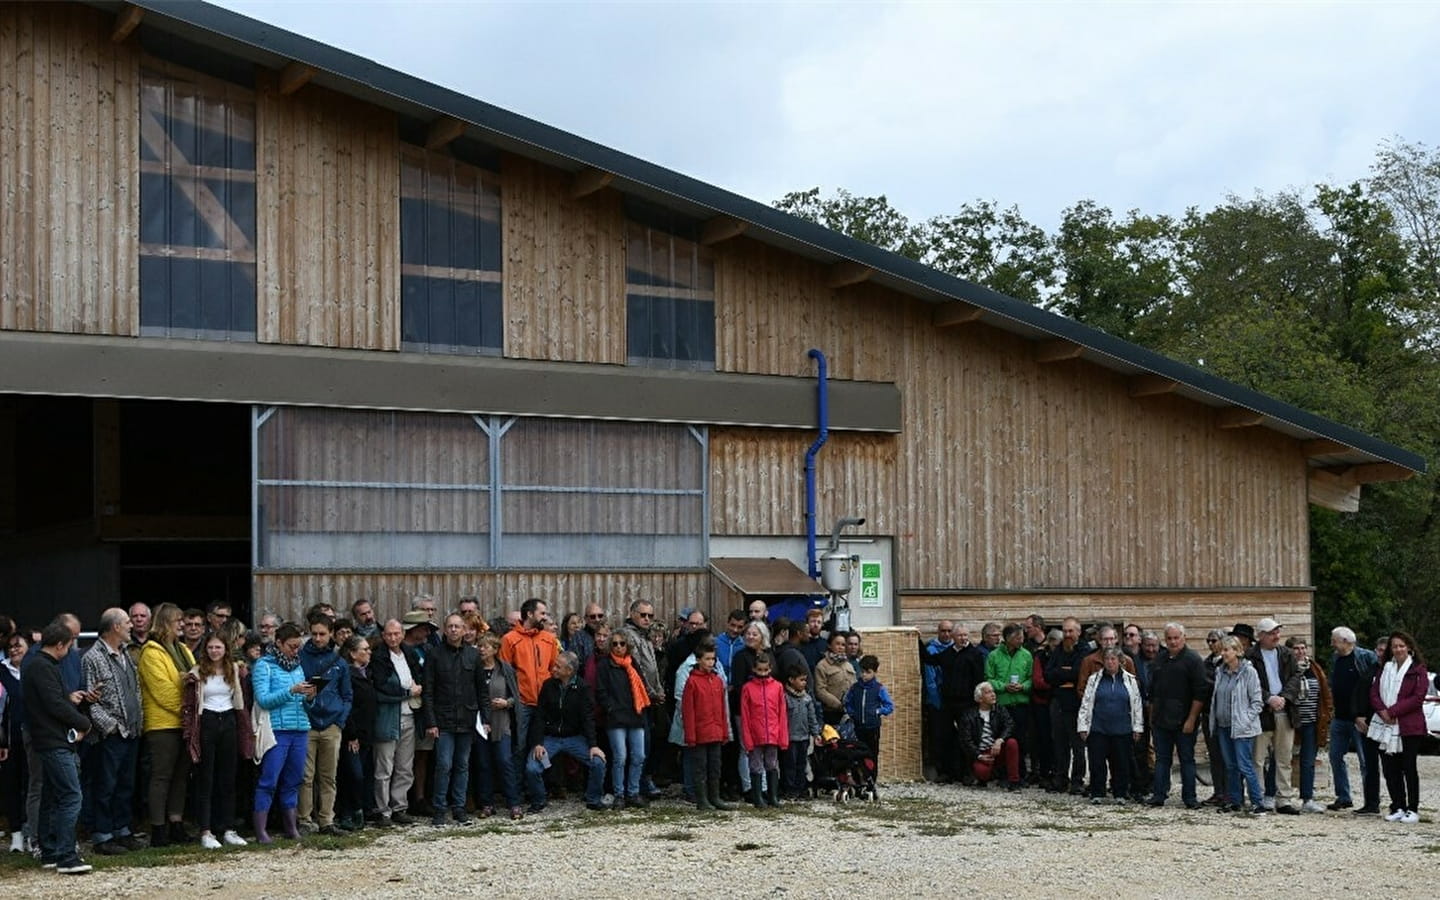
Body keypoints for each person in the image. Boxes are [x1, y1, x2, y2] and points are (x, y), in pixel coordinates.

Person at [22, 621, 96, 875]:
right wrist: (83, 722)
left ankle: (51, 851)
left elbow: (54, 700)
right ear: (61, 645)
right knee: (71, 796)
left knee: (52, 797)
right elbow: (54, 703)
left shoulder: (38, 665)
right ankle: (66, 855)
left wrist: (70, 700)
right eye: (69, 645)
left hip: (48, 739)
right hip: (53, 740)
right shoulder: (42, 666)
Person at [80, 608, 143, 856]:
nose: (132, 626)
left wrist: (138, 720)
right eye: (127, 622)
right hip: (110, 734)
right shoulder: (92, 657)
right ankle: (102, 836)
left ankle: (122, 830)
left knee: (125, 785)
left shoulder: (126, 654)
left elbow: (134, 689)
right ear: (115, 627)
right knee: (105, 785)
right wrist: (110, 727)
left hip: (131, 730)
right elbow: (90, 700)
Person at [137, 602, 196, 847]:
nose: (182, 624)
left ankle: (176, 823)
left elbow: (195, 675)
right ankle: (158, 828)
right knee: (161, 777)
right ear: (165, 624)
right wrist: (187, 710)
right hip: (162, 724)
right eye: (178, 621)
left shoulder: (182, 649)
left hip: (184, 722)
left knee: (180, 776)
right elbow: (162, 691)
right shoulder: (151, 652)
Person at [251, 623, 314, 843]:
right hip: (275, 729)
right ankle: (261, 831)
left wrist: (309, 696)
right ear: (278, 643)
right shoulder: (263, 665)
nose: (295, 651)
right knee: (269, 780)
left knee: (294, 780)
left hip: (300, 728)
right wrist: (291, 691)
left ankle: (291, 828)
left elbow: (302, 701)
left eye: (298, 647)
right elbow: (263, 699)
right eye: (291, 646)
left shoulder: (298, 666)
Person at [185, 634, 249, 849]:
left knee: (228, 777)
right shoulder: (198, 670)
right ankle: (206, 830)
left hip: (229, 718)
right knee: (207, 777)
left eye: (218, 647)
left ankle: (229, 829)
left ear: (225, 649)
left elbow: (239, 698)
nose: (214, 651)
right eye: (211, 647)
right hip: (208, 720)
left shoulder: (233, 669)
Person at [526, 650, 606, 813]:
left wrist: (593, 745)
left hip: (575, 737)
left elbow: (587, 718)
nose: (553, 669)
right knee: (532, 767)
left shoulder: (583, 688)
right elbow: (539, 716)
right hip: (550, 737)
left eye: (557, 666)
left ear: (569, 671)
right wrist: (538, 743)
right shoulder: (548, 686)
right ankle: (539, 800)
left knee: (598, 762)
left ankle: (593, 799)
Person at [423, 614, 483, 827]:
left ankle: (459, 808)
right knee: (443, 765)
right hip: (443, 720)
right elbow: (428, 690)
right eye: (450, 626)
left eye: (458, 626)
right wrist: (431, 721)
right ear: (445, 630)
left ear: (465, 630)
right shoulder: (434, 654)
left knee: (462, 765)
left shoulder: (473, 656)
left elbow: (481, 690)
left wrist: (483, 719)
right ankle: (439, 810)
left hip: (466, 719)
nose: (454, 630)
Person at [499, 598, 560, 801]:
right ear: (530, 614)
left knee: (543, 746)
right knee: (520, 747)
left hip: (544, 703)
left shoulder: (549, 639)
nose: (545, 617)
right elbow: (505, 673)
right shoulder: (509, 639)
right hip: (522, 703)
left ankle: (541, 790)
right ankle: (516, 794)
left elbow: (554, 670)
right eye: (542, 613)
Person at [298, 613, 352, 836]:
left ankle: (326, 820)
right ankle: (304, 819)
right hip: (307, 723)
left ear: (331, 634)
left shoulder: (339, 662)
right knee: (306, 776)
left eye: (322, 634)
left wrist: (340, 721)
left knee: (329, 776)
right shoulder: (300, 658)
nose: (318, 638)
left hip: (331, 724)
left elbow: (347, 695)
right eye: (314, 634)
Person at [1144, 623, 1208, 810]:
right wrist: (1152, 717)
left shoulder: (1193, 660)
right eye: (1169, 638)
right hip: (1161, 720)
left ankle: (1190, 797)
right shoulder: (1160, 659)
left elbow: (1200, 693)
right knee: (1162, 759)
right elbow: (1153, 691)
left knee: (1186, 759)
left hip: (1184, 720)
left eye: (1176, 638)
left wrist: (1191, 719)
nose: (1173, 641)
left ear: (1184, 638)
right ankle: (1159, 795)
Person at [1368, 631, 1428, 823]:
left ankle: (1413, 808)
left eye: (1402, 646)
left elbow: (1418, 697)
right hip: (1386, 725)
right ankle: (1398, 806)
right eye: (1395, 646)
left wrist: (1393, 711)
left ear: (1409, 647)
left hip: (1409, 727)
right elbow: (1374, 693)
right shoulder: (1384, 669)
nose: (1398, 649)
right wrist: (1383, 712)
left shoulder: (1418, 670)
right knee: (1390, 769)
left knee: (1408, 767)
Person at [369, 619, 422, 826]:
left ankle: (399, 806)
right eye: (389, 634)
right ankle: (382, 810)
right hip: (387, 716)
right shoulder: (379, 657)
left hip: (409, 713)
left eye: (396, 634)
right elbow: (383, 685)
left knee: (404, 766)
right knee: (384, 766)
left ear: (402, 634)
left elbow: (419, 675)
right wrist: (406, 691)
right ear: (384, 636)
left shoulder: (409, 653)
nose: (392, 638)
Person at [1078, 648, 1144, 803]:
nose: (1110, 662)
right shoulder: (1094, 679)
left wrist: (1137, 727)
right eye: (1107, 659)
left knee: (1121, 762)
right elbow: (1086, 703)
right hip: (1098, 728)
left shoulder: (1130, 680)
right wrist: (1083, 726)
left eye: (1113, 659)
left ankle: (1120, 793)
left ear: (1120, 661)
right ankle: (1097, 793)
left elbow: (1137, 704)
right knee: (1097, 763)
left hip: (1122, 729)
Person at [1246, 617, 1298, 814]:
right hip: (1261, 713)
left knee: (1284, 757)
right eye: (1271, 633)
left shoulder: (1286, 653)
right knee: (1257, 758)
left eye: (1277, 632)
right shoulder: (1250, 656)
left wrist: (1284, 697)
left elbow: (1295, 677)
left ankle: (1283, 799)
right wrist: (1268, 698)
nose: (1276, 636)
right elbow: (1251, 684)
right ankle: (1258, 798)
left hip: (1285, 711)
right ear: (1260, 636)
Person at [595, 628, 650, 809]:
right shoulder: (604, 665)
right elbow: (601, 691)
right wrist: (610, 708)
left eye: (622, 643)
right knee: (620, 756)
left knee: (639, 755)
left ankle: (632, 792)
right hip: (615, 718)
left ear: (628, 645)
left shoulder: (632, 664)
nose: (618, 647)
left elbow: (642, 686)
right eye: (615, 644)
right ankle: (619, 793)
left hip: (635, 715)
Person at [1210, 635, 1264, 814]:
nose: (1223, 654)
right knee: (1230, 766)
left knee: (1244, 765)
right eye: (1222, 650)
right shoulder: (1220, 672)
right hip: (1224, 725)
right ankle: (1235, 800)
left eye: (1227, 650)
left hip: (1241, 727)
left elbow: (1257, 701)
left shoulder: (1249, 672)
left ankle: (1257, 801)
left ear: (1237, 651)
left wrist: (1245, 719)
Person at [1327, 626, 1378, 812]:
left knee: (1365, 761)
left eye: (1334, 640)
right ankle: (1343, 796)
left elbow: (1373, 684)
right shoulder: (1336, 658)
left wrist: (1365, 713)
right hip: (1339, 717)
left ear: (1346, 642)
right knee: (1335, 756)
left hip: (1359, 718)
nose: (1332, 643)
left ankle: (1370, 801)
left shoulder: (1365, 657)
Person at [474, 633, 523, 819]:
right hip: (480, 724)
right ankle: (487, 804)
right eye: (480, 646)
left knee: (505, 761)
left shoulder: (505, 670)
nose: (481, 649)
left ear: (495, 650)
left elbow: (516, 697)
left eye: (486, 646)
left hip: (502, 723)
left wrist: (506, 703)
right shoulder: (475, 669)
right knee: (484, 763)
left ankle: (514, 803)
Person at [681, 640, 733, 811]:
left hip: (716, 731)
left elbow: (722, 709)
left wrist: (725, 731)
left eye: (713, 659)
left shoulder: (718, 681)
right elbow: (688, 711)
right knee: (700, 767)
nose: (711, 662)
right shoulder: (692, 682)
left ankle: (715, 797)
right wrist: (690, 736)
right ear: (698, 660)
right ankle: (702, 799)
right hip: (700, 732)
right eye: (707, 659)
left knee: (715, 766)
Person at [1282, 636, 1331, 814]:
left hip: (1311, 721)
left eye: (1303, 648)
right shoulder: (1285, 668)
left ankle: (1307, 798)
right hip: (1290, 721)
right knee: (1281, 759)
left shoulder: (1314, 668)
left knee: (1308, 761)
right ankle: (1279, 796)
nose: (1301, 652)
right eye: (1296, 648)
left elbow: (1324, 692)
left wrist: (1327, 713)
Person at [983, 623, 1032, 781]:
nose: (1021, 640)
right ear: (1008, 638)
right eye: (1018, 637)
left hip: (1021, 705)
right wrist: (1004, 687)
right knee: (1001, 740)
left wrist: (1023, 686)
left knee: (1021, 741)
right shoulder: (993, 656)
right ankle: (1003, 774)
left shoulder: (1026, 655)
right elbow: (988, 679)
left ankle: (1020, 773)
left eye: (1022, 637)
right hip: (1001, 705)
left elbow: (1032, 678)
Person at [1044, 617, 1088, 794]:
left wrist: (1062, 673)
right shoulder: (1059, 650)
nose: (1068, 635)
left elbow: (1079, 673)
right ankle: (1061, 778)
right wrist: (1066, 673)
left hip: (1075, 703)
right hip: (1058, 701)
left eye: (1071, 631)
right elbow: (1048, 674)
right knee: (1059, 743)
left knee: (1077, 744)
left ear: (1078, 632)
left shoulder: (1084, 650)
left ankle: (1077, 780)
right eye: (1065, 631)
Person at [336, 635, 375, 831]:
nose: (369, 652)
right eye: (364, 649)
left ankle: (361, 810)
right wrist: (351, 734)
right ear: (352, 653)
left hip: (367, 732)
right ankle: (347, 812)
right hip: (351, 733)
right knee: (352, 774)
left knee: (364, 774)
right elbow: (347, 705)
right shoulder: (346, 674)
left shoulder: (367, 673)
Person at [739, 651, 787, 807]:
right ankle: (758, 797)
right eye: (759, 670)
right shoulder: (748, 688)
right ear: (754, 669)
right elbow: (745, 715)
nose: (762, 673)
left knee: (772, 764)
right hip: (755, 734)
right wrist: (747, 739)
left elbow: (782, 714)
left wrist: (783, 737)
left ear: (770, 669)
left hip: (773, 733)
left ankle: (773, 796)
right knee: (756, 765)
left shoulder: (778, 687)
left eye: (765, 670)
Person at [958, 682, 1019, 789]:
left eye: (993, 691)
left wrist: (1000, 740)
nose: (993, 694)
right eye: (988, 692)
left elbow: (1010, 725)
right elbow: (966, 740)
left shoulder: (1000, 710)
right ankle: (988, 775)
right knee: (982, 773)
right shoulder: (969, 715)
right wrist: (979, 755)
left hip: (997, 750)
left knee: (1012, 743)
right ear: (980, 699)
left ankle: (1013, 781)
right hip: (981, 753)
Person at [2, 633, 30, 853]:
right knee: (11, 786)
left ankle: (32, 831)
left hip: (34, 739)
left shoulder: (35, 670)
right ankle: (17, 834)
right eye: (10, 647)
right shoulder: (1, 672)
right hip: (9, 742)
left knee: (32, 786)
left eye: (19, 646)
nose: (14, 650)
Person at [843, 655, 894, 777]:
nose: (864, 675)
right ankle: (859, 778)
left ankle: (872, 779)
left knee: (872, 753)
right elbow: (847, 702)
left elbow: (889, 706)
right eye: (862, 671)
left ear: (875, 672)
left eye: (868, 672)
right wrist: (852, 713)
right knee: (857, 753)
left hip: (873, 728)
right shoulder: (855, 688)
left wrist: (877, 711)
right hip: (858, 727)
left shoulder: (879, 688)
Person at [781, 663, 820, 800]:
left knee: (802, 764)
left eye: (805, 680)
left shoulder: (807, 699)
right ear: (791, 680)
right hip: (790, 738)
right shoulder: (784, 698)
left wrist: (816, 733)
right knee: (789, 765)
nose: (804, 683)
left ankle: (801, 788)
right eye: (801, 680)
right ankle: (790, 789)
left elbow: (812, 718)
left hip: (804, 737)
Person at [1200, 628, 1228, 805]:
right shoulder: (1206, 663)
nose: (1211, 644)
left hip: (1225, 714)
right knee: (1215, 755)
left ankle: (1230, 792)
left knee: (1228, 756)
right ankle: (1218, 791)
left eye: (1214, 640)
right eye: (1208, 641)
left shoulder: (1228, 663)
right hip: (1209, 713)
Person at [815, 633, 857, 727]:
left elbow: (855, 686)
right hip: (830, 712)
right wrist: (838, 705)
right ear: (830, 645)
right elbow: (820, 690)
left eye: (843, 645)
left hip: (849, 712)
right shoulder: (822, 666)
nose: (840, 647)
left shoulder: (848, 665)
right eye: (837, 644)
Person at [715, 609, 747, 676]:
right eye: (733, 625)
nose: (735, 630)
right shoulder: (715, 642)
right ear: (727, 623)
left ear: (744, 627)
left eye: (739, 627)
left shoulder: (745, 645)